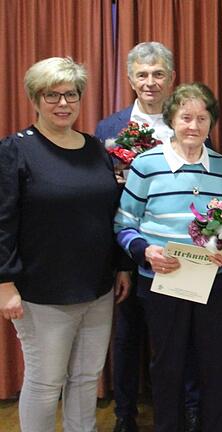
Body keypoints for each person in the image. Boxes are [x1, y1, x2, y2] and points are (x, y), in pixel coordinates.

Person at [0, 56, 130, 431]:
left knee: (86, 378)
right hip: (42, 293)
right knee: (45, 383)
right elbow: (3, 223)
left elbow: (112, 214)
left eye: (70, 94)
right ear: (35, 99)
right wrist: (5, 284)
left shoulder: (94, 149)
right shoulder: (15, 150)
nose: (62, 103)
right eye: (51, 95)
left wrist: (121, 266)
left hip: (98, 287)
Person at [114, 83, 222, 432]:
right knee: (167, 365)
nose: (194, 126)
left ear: (211, 123)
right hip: (163, 279)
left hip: (216, 282)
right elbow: (124, 224)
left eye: (202, 118)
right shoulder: (146, 164)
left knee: (216, 365)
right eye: (186, 117)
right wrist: (145, 252)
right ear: (172, 119)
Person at [95, 40, 201, 432]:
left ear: (172, 78)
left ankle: (189, 409)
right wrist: (122, 262)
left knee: (183, 335)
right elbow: (101, 194)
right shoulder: (110, 128)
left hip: (181, 250)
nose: (151, 82)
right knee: (128, 336)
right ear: (130, 79)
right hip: (129, 248)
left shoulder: (189, 119)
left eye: (158, 74)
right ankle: (126, 414)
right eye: (142, 74)